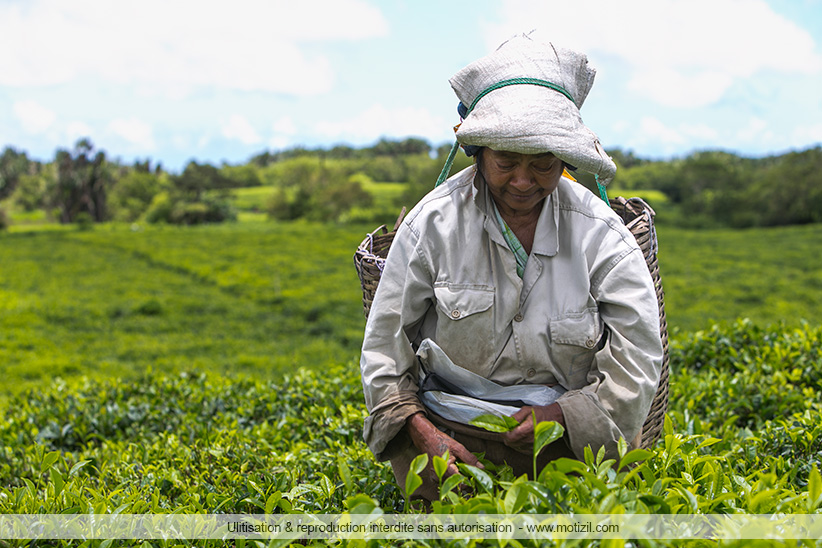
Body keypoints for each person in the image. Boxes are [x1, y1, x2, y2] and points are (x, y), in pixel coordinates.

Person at [359, 32, 664, 502]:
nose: (522, 181)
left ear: (564, 162)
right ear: (478, 152)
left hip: (571, 447)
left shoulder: (602, 237)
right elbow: (384, 349)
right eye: (506, 161)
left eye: (543, 164)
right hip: (449, 445)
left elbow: (639, 359)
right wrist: (421, 432)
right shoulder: (431, 226)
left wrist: (563, 417)